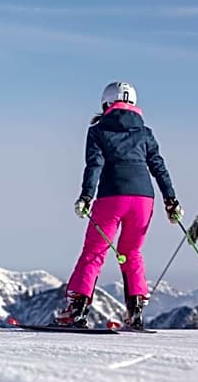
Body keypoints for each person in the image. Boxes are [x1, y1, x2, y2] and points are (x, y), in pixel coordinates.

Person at [55, 81, 183, 330]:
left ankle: (76, 312)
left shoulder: (98, 131)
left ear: (106, 103)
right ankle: (135, 314)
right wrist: (171, 200)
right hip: (144, 200)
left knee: (94, 252)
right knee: (132, 252)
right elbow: (158, 166)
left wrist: (85, 197)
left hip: (111, 197)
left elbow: (94, 165)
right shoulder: (145, 132)